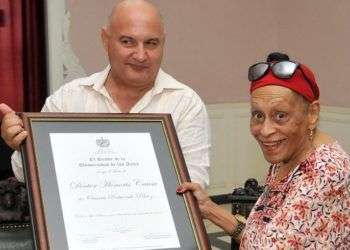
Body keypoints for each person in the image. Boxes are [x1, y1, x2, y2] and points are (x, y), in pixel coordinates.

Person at [0, 0, 210, 187]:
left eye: (151, 43)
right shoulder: (69, 99)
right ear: (105, 40)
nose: (140, 55)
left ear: (163, 43)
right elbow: (25, 175)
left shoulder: (185, 104)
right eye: (127, 41)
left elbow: (193, 185)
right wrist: (20, 145)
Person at [178, 52, 350, 249]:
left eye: (280, 115)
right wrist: (209, 209)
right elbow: (262, 238)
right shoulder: (288, 157)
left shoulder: (325, 172)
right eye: (258, 115)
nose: (265, 131)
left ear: (312, 114)